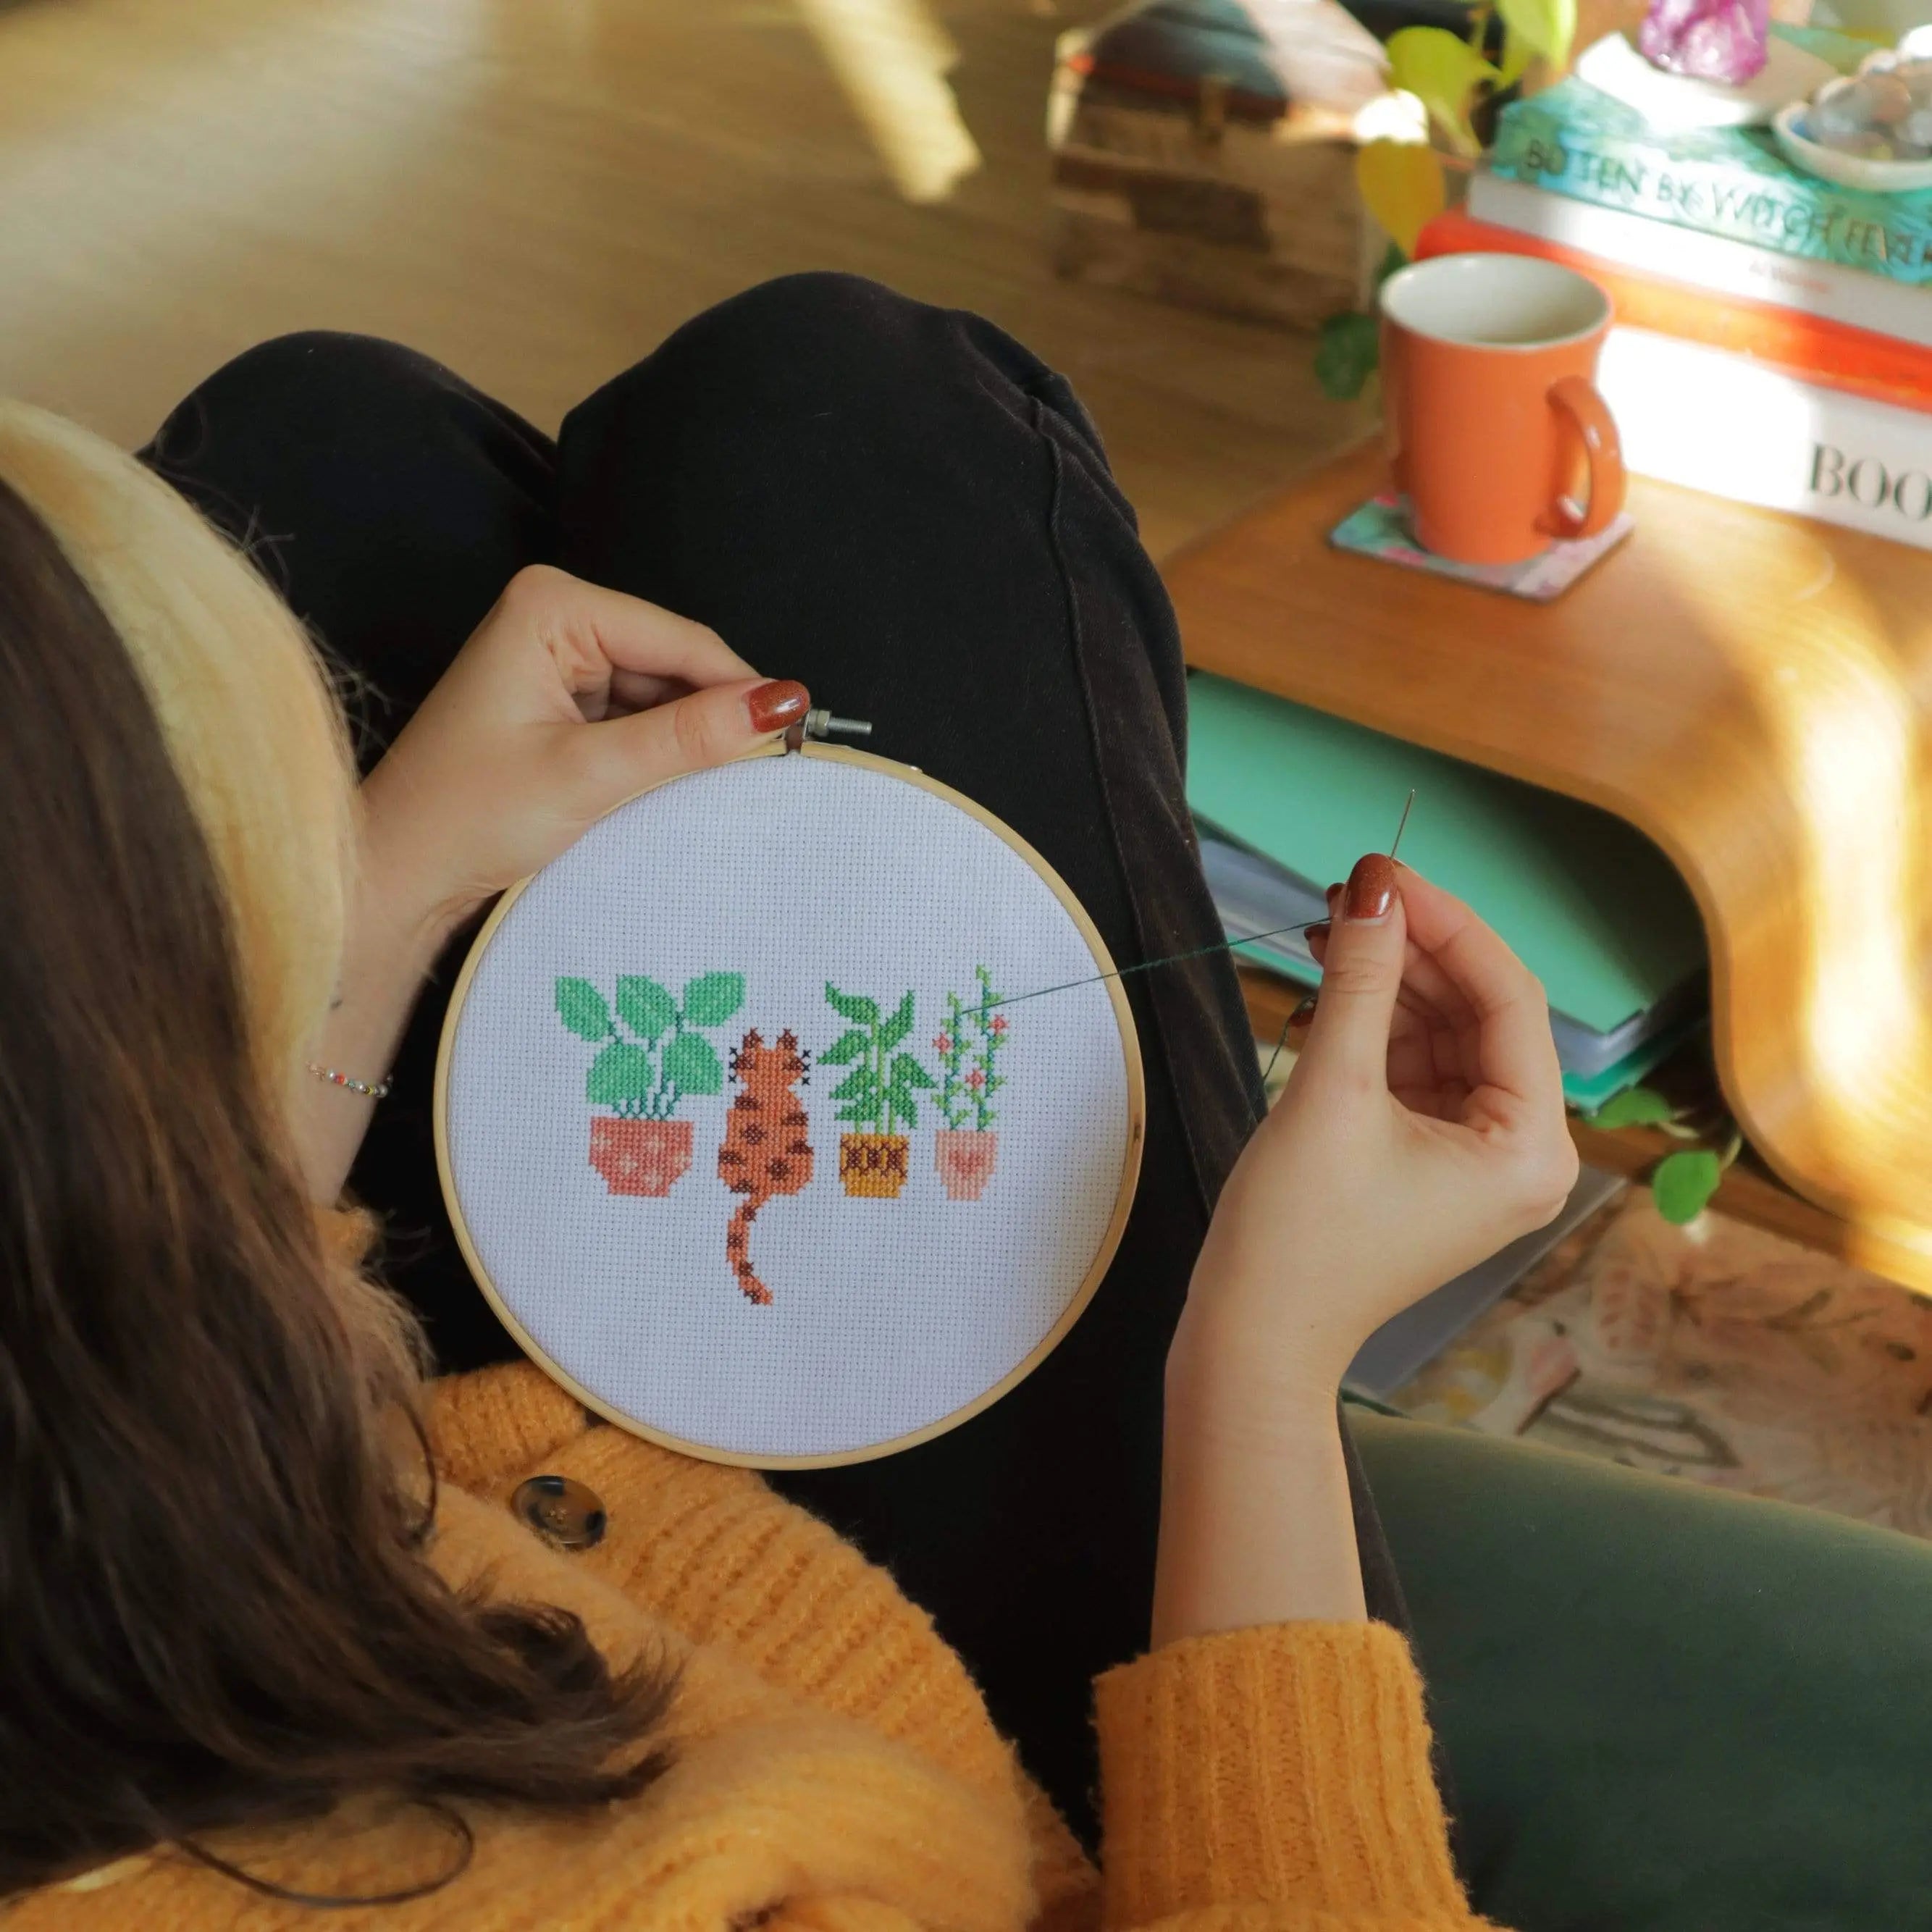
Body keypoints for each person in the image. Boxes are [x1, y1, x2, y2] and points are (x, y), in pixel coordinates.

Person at [0, 274, 1576, 1927]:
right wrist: (1263, 1342)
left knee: (322, 435)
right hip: (996, 1764)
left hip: (285, 1447)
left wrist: (385, 906)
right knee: (835, 393)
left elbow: (118, 1378)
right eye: (204, 932)